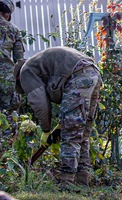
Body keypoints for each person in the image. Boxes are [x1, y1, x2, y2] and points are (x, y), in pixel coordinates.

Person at [14, 46, 102, 186]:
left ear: (18, 78)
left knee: (70, 134)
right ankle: (81, 182)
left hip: (77, 75)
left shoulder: (25, 71)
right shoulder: (40, 64)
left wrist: (46, 130)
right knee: (82, 134)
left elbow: (39, 102)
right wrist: (61, 123)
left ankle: (67, 184)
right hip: (93, 73)